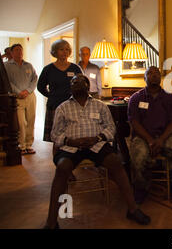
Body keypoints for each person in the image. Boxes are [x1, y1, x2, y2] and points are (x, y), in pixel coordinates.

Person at [44, 74, 150, 228]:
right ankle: (51, 221)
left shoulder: (100, 106)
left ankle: (133, 209)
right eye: (74, 82)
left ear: (88, 87)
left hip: (96, 145)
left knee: (115, 162)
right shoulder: (62, 108)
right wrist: (69, 141)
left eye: (81, 81)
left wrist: (98, 138)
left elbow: (111, 127)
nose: (77, 83)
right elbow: (55, 134)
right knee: (62, 167)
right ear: (70, 87)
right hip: (71, 146)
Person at [127, 66, 172, 203]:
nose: (154, 75)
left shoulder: (170, 98)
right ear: (144, 78)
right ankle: (141, 188)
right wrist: (150, 140)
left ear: (160, 78)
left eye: (157, 73)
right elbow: (134, 122)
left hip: (166, 136)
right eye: (150, 73)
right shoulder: (136, 98)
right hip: (142, 137)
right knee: (138, 156)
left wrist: (161, 140)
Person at [37, 39, 82, 142]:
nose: (65, 52)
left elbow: (81, 85)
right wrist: (51, 95)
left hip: (72, 106)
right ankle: (57, 157)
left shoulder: (75, 68)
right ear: (55, 52)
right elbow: (40, 86)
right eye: (61, 49)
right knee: (56, 138)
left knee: (72, 135)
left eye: (67, 49)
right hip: (54, 105)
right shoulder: (48, 69)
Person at [4, 44, 38, 154]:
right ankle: (21, 145)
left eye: (21, 50)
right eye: (17, 50)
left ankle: (29, 145)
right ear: (12, 53)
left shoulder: (29, 65)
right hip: (17, 98)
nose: (19, 52)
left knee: (31, 120)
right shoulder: (7, 66)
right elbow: (7, 81)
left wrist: (27, 91)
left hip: (30, 96)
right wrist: (19, 92)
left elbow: (34, 79)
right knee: (21, 122)